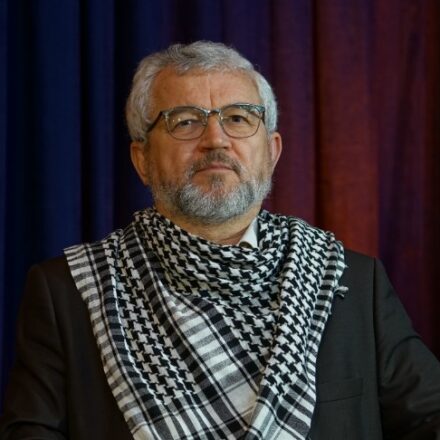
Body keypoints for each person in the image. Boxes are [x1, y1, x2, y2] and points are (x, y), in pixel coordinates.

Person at [1, 41, 439, 440]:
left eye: (238, 118)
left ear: (272, 152)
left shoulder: (350, 282)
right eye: (185, 121)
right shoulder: (70, 293)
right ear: (142, 159)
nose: (216, 140)